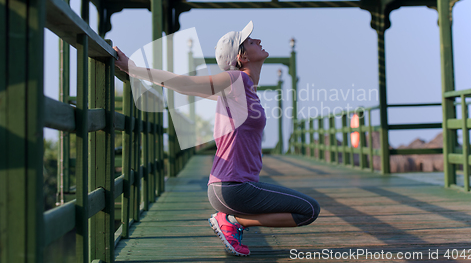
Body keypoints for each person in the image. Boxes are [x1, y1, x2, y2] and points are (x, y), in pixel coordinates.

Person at [113, 21, 320, 257]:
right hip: (232, 187)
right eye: (252, 42)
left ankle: (232, 219)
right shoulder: (235, 80)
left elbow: (189, 89)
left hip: (232, 187)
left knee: (308, 209)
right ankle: (233, 221)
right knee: (310, 210)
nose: (259, 41)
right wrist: (133, 68)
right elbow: (185, 84)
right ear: (241, 57)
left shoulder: (244, 89)